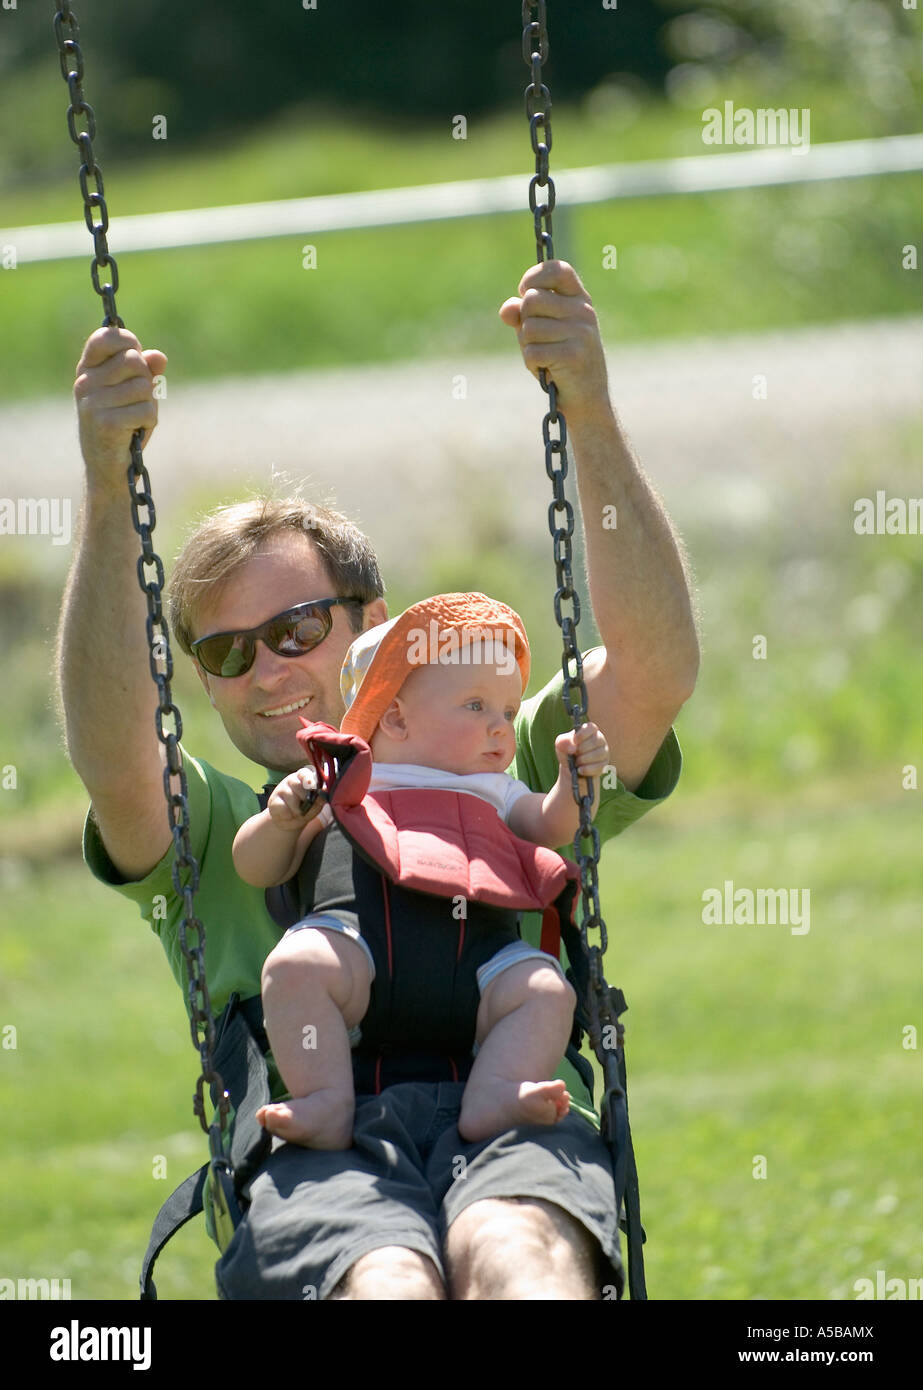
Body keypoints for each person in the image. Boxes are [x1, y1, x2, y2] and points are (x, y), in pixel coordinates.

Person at [58, 259, 699, 1299]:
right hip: (318, 1154)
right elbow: (116, 759)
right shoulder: (219, 823)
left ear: (376, 630)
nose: (267, 669)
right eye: (226, 654)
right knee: (384, 1282)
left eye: (297, 627)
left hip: (515, 1120)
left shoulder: (490, 750)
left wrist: (585, 409)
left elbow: (651, 674)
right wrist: (101, 485)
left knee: (517, 1260)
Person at [232, 591, 611, 1150]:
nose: (501, 729)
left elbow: (553, 825)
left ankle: (496, 1092)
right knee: (293, 965)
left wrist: (575, 785)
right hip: (357, 957)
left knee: (545, 990)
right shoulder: (344, 783)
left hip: (480, 972)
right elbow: (258, 867)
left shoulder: (497, 791)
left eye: (509, 711)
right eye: (476, 707)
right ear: (396, 717)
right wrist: (282, 820)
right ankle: (323, 1099)